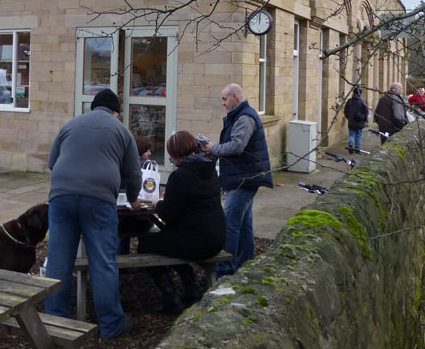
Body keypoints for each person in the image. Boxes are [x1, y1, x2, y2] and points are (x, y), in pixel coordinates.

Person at [45, 88, 142, 339]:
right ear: (115, 111)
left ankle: (55, 323)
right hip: (99, 201)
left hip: (61, 197)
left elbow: (52, 163)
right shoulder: (121, 130)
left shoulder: (71, 124)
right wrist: (133, 199)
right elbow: (133, 173)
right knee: (103, 263)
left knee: (58, 261)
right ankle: (111, 326)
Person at [137, 130, 226, 313]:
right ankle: (191, 290)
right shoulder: (209, 170)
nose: (171, 160)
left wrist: (159, 202)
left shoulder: (180, 176)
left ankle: (171, 298)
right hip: (217, 237)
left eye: (171, 156)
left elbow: (168, 215)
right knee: (168, 241)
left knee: (145, 244)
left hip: (196, 242)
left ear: (176, 155)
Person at [202, 83, 273, 277]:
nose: (223, 103)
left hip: (244, 179)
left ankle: (224, 271)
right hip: (245, 177)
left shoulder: (244, 117)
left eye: (225, 99)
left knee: (229, 223)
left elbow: (237, 146)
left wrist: (213, 149)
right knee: (244, 224)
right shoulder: (241, 116)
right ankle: (245, 267)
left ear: (235, 97)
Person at [343, 86, 369, 152]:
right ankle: (357, 148)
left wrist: (348, 117)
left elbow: (345, 111)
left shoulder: (349, 101)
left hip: (351, 121)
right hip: (360, 121)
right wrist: (365, 119)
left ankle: (351, 144)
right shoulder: (362, 102)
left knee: (352, 134)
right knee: (358, 135)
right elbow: (366, 111)